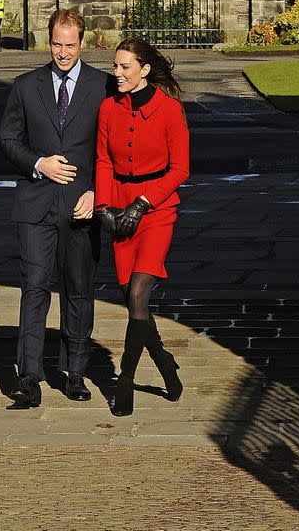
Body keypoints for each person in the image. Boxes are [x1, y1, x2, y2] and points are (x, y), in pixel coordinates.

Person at [0, 8, 111, 407]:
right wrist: (38, 163)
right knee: (34, 289)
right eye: (56, 44)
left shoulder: (104, 86)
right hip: (35, 204)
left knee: (79, 291)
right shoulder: (26, 86)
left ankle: (75, 373)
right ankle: (29, 376)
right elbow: (9, 140)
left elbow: (112, 150)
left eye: (70, 45)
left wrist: (97, 192)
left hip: (81, 206)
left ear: (83, 43)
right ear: (48, 41)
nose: (63, 53)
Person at [95, 38, 190, 417]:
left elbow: (181, 169)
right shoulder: (107, 108)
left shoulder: (170, 111)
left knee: (138, 293)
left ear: (144, 70)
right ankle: (165, 363)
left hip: (156, 210)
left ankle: (124, 380)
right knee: (131, 300)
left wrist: (143, 203)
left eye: (124, 67)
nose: (116, 74)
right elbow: (103, 160)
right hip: (119, 207)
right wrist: (104, 206)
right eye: (115, 67)